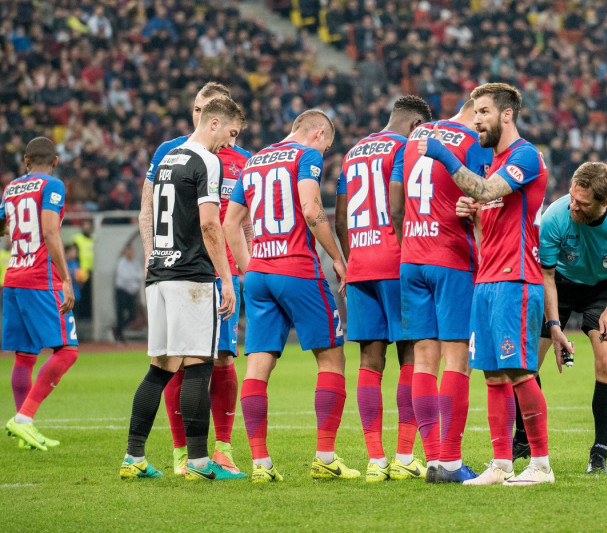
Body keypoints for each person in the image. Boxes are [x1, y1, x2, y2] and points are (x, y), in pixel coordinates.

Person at [418, 83, 554, 486]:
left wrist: (443, 154)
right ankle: (501, 465)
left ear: (506, 115)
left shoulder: (526, 156)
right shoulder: (492, 165)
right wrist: (471, 215)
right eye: (474, 112)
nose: (476, 120)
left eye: (484, 112)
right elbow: (486, 218)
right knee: (493, 376)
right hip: (486, 280)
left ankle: (541, 465)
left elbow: (485, 190)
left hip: (516, 280)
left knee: (519, 373)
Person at [223, 110, 358, 483]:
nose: (325, 153)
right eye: (327, 146)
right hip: (297, 268)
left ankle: (261, 464)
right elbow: (312, 209)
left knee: (257, 365)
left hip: (259, 273)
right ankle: (325, 458)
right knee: (331, 357)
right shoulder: (306, 156)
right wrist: (337, 258)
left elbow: (230, 223)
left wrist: (249, 267)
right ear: (317, 134)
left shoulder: (252, 161)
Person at [120, 96, 247, 481]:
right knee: (198, 364)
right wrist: (225, 278)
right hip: (191, 276)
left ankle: (134, 457)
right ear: (213, 123)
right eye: (230, 133)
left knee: (159, 368)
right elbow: (211, 226)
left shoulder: (169, 157)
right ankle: (196, 462)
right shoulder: (206, 161)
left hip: (159, 273)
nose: (229, 143)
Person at [391, 99, 493, 483]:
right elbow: (484, 195)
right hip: (451, 257)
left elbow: (396, 197)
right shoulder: (472, 140)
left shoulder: (417, 134)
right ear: (477, 111)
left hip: (412, 257)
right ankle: (450, 461)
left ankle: (432, 458)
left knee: (422, 360)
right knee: (456, 360)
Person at [334, 95, 432, 482]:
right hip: (397, 262)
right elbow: (403, 207)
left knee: (370, 363)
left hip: (360, 265)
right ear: (414, 126)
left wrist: (351, 260)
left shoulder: (354, 152)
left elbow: (340, 215)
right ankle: (404, 456)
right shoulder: (407, 147)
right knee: (412, 357)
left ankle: (375, 460)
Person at [531, 161, 607, 474]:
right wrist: (555, 327)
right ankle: (523, 439)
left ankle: (599, 452)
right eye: (572, 197)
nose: (573, 205)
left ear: (604, 203)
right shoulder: (555, 217)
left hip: (604, 289)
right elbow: (546, 274)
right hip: (559, 283)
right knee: (527, 364)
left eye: (582, 203)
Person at [2, 137, 79, 451]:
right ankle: (24, 419)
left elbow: (4, 225)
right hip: (39, 278)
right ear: (56, 161)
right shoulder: (53, 185)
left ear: (25, 160)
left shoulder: (11, 189)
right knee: (68, 351)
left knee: (25, 354)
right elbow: (49, 230)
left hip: (13, 278)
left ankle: (25, 433)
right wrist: (66, 279)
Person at [113, 243, 142, 343]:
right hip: (122, 291)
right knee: (120, 314)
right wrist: (135, 276)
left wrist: (135, 276)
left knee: (132, 315)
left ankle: (117, 329)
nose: (130, 253)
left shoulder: (135, 263)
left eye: (131, 250)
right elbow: (125, 277)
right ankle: (119, 334)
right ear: (125, 252)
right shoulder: (122, 263)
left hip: (131, 293)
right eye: (128, 250)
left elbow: (141, 275)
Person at [72, 219, 93, 319]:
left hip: (92, 270)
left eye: (88, 225)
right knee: (82, 293)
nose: (87, 228)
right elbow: (75, 254)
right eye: (85, 225)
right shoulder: (78, 238)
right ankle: (81, 316)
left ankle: (89, 315)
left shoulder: (94, 238)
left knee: (90, 294)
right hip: (81, 270)